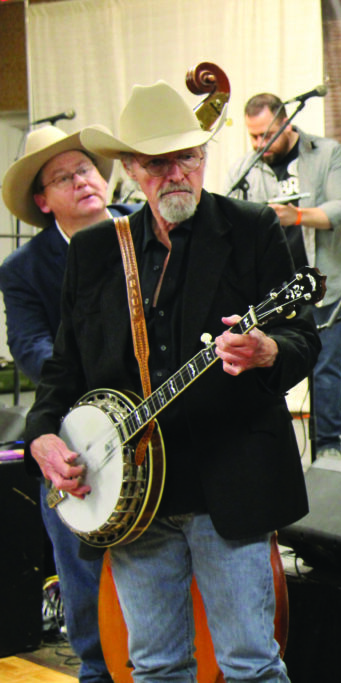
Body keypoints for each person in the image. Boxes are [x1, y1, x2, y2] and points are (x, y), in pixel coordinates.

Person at [22, 81, 320, 681]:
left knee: (250, 664)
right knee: (154, 666)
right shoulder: (98, 251)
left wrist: (266, 350)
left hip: (229, 488)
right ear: (131, 169)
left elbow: (302, 340)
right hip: (132, 497)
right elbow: (64, 372)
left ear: (204, 156)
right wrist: (42, 435)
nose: (176, 173)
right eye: (158, 162)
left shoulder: (252, 229)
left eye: (188, 156)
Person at [0, 125, 137, 683]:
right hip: (76, 435)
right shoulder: (25, 270)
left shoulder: (146, 228)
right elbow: (32, 351)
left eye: (86, 168)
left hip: (158, 427)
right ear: (42, 200)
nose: (82, 180)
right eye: (64, 176)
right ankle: (97, 669)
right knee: (83, 579)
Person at [226, 92, 341, 459]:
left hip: (327, 284)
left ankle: (328, 449)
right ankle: (274, 447)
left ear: (287, 122)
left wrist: (295, 216)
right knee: (273, 365)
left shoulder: (326, 152)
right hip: (275, 295)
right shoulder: (245, 168)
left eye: (266, 135)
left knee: (325, 371)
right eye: (253, 137)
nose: (259, 144)